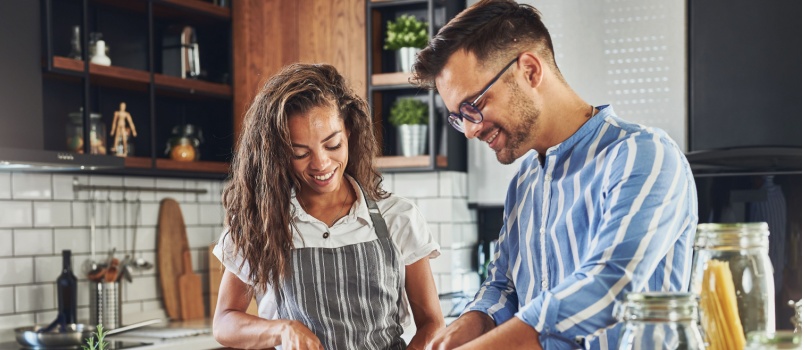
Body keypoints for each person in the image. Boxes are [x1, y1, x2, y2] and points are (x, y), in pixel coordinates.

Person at [411, 1, 698, 349]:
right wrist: (472, 321)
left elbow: (610, 286)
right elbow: (504, 287)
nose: (470, 131)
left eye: (475, 105)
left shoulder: (642, 155)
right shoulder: (524, 183)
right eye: (459, 117)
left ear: (530, 71)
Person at [212, 63, 444, 350]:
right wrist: (283, 331)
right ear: (279, 153)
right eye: (300, 153)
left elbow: (432, 324)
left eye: (332, 145)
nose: (321, 164)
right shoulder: (260, 223)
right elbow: (224, 322)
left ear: (348, 131)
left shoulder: (397, 217)